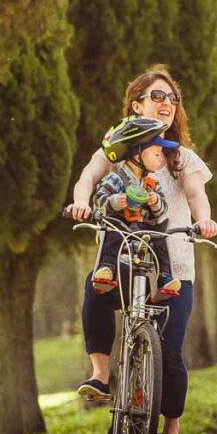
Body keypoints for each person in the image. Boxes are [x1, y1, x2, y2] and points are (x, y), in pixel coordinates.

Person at [65, 65, 217, 434]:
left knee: (170, 354)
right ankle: (100, 376)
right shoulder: (114, 150)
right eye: (157, 96)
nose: (166, 104)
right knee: (96, 292)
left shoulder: (179, 157)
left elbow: (197, 197)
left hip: (173, 265)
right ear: (136, 104)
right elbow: (88, 178)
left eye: (172, 99)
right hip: (121, 261)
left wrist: (204, 220)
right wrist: (82, 201)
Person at [89, 115, 182, 302]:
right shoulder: (117, 178)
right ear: (138, 154)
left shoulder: (151, 184)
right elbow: (98, 199)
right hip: (123, 227)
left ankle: (164, 277)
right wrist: (116, 201)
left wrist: (155, 201)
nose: (162, 159)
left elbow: (162, 210)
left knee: (160, 236)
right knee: (113, 231)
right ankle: (107, 269)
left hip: (144, 228)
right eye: (157, 154)